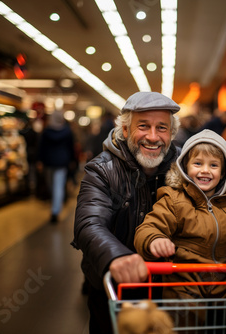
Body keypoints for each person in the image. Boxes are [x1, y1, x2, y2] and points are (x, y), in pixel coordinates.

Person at [134, 129, 226, 328]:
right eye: (198, 163)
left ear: (224, 172)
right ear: (185, 167)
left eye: (213, 165)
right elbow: (150, 226)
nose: (205, 170)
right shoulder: (173, 199)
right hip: (185, 283)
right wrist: (154, 239)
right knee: (184, 316)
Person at [71, 91, 181, 334]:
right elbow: (89, 223)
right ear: (125, 130)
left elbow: (223, 207)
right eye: (143, 126)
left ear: (171, 133)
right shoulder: (101, 170)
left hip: (172, 287)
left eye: (161, 128)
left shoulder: (184, 167)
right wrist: (116, 257)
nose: (153, 137)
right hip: (116, 289)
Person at [37, 109, 75, 223]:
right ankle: (55, 210)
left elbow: (41, 147)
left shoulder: (46, 132)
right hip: (62, 162)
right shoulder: (68, 132)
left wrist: (40, 161)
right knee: (58, 186)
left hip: (48, 162)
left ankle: (54, 209)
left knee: (52, 185)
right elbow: (71, 147)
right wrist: (72, 160)